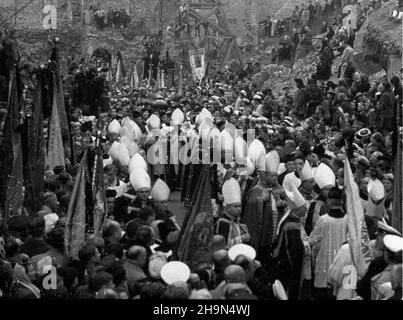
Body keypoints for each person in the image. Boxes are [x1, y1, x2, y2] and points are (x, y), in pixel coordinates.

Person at [243, 150, 283, 268]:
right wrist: (262, 200)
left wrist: (283, 204)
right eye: (271, 175)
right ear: (265, 175)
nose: (274, 178)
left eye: (275, 175)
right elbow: (252, 207)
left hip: (275, 230)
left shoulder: (278, 188)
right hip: (263, 232)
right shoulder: (257, 189)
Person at [308, 187, 348, 300]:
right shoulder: (348, 219)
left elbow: (314, 239)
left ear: (329, 201)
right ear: (341, 201)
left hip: (325, 262)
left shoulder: (323, 220)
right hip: (343, 262)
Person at [216, 178, 250, 247]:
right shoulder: (223, 222)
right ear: (227, 208)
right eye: (235, 206)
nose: (239, 209)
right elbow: (222, 245)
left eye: (240, 206)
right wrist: (241, 238)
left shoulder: (237, 221)